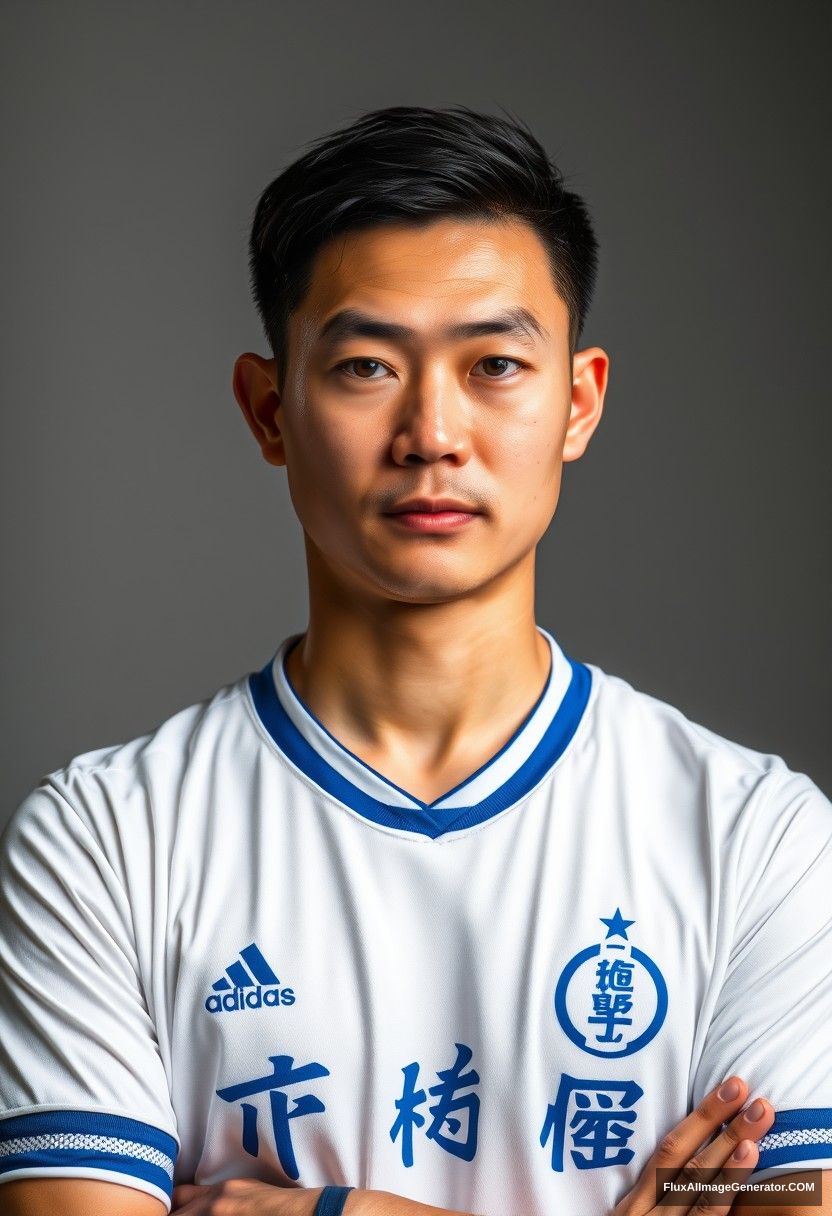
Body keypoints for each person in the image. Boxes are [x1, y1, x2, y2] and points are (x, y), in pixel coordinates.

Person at [0, 105, 829, 1216]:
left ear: (576, 400)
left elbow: (788, 1201)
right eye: (364, 367)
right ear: (269, 408)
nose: (432, 431)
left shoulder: (752, 834)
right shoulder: (110, 837)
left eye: (493, 362)